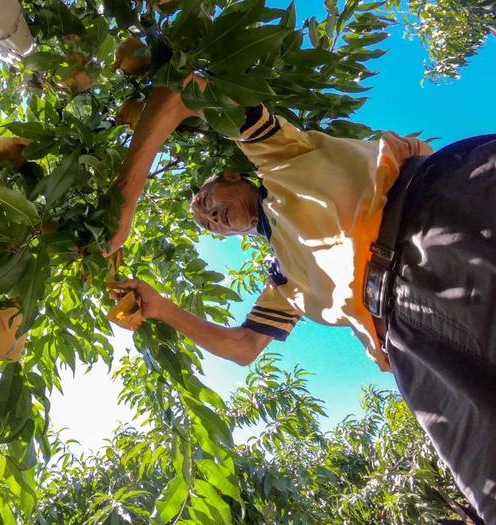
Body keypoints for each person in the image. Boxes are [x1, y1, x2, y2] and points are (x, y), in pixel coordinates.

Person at [106, 75, 496, 522]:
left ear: (234, 177)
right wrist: (161, 308)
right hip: (417, 348)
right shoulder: (284, 276)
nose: (209, 215)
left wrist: (126, 197)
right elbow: (242, 347)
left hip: (441, 218)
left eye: (205, 200)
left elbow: (182, 91)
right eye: (209, 224)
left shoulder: (281, 157)